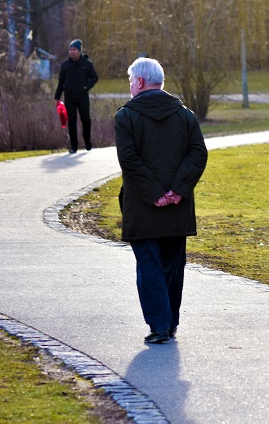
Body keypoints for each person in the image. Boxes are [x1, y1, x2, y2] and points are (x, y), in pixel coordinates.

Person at [114, 57, 208, 344]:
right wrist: (177, 191)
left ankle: (159, 325)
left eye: (131, 80)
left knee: (149, 266)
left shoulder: (125, 117)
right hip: (177, 209)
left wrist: (156, 194)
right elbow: (198, 154)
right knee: (172, 266)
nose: (130, 86)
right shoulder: (185, 115)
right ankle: (169, 323)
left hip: (142, 207)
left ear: (140, 82)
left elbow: (129, 160)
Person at [55, 39, 99, 153]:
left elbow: (94, 77)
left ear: (79, 51)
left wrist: (86, 87)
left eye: (74, 49)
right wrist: (57, 97)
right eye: (70, 49)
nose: (72, 52)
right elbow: (61, 82)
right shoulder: (65, 65)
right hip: (69, 97)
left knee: (85, 119)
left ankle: (87, 141)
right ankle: (74, 146)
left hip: (82, 97)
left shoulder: (87, 64)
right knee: (72, 121)